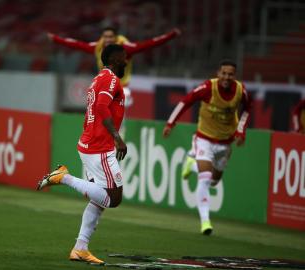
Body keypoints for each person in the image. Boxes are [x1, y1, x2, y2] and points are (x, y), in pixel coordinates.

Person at [37, 44, 127, 264]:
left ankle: (80, 248)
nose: (127, 61)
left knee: (98, 201)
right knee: (113, 199)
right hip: (100, 147)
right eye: (124, 58)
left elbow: (94, 109)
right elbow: (102, 108)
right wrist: (117, 137)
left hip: (91, 144)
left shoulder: (99, 79)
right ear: (115, 59)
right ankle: (63, 177)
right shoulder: (111, 79)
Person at [162, 59, 252, 235]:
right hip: (205, 139)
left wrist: (241, 131)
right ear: (218, 73)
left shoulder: (241, 91)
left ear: (235, 76)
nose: (226, 77)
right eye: (223, 73)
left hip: (226, 143)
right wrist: (170, 123)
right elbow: (186, 101)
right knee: (205, 179)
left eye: (230, 74)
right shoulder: (207, 88)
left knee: (214, 181)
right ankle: (205, 222)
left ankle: (191, 164)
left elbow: (248, 108)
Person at [48, 26, 181, 137]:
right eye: (105, 36)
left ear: (116, 38)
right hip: (104, 87)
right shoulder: (98, 48)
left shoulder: (126, 49)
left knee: (123, 99)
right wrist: (55, 39)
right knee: (97, 106)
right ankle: (95, 132)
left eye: (111, 37)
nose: (107, 39)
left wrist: (171, 35)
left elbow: (150, 44)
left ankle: (120, 132)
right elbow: (76, 44)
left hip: (122, 87)